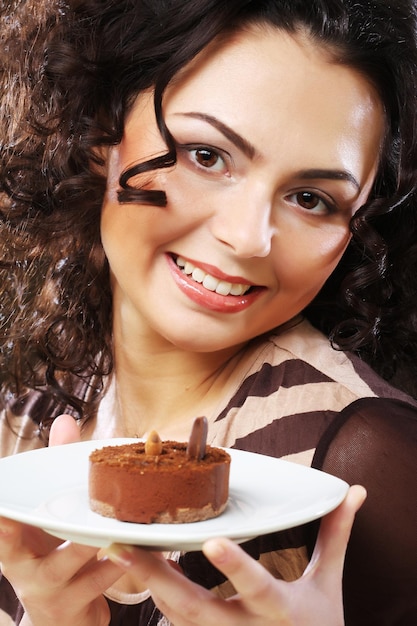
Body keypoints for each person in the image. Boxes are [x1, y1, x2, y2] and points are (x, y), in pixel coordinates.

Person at [1, 0, 417, 624]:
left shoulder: (365, 464)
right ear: (97, 131)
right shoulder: (21, 427)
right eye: (207, 155)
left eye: (310, 198)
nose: (250, 238)